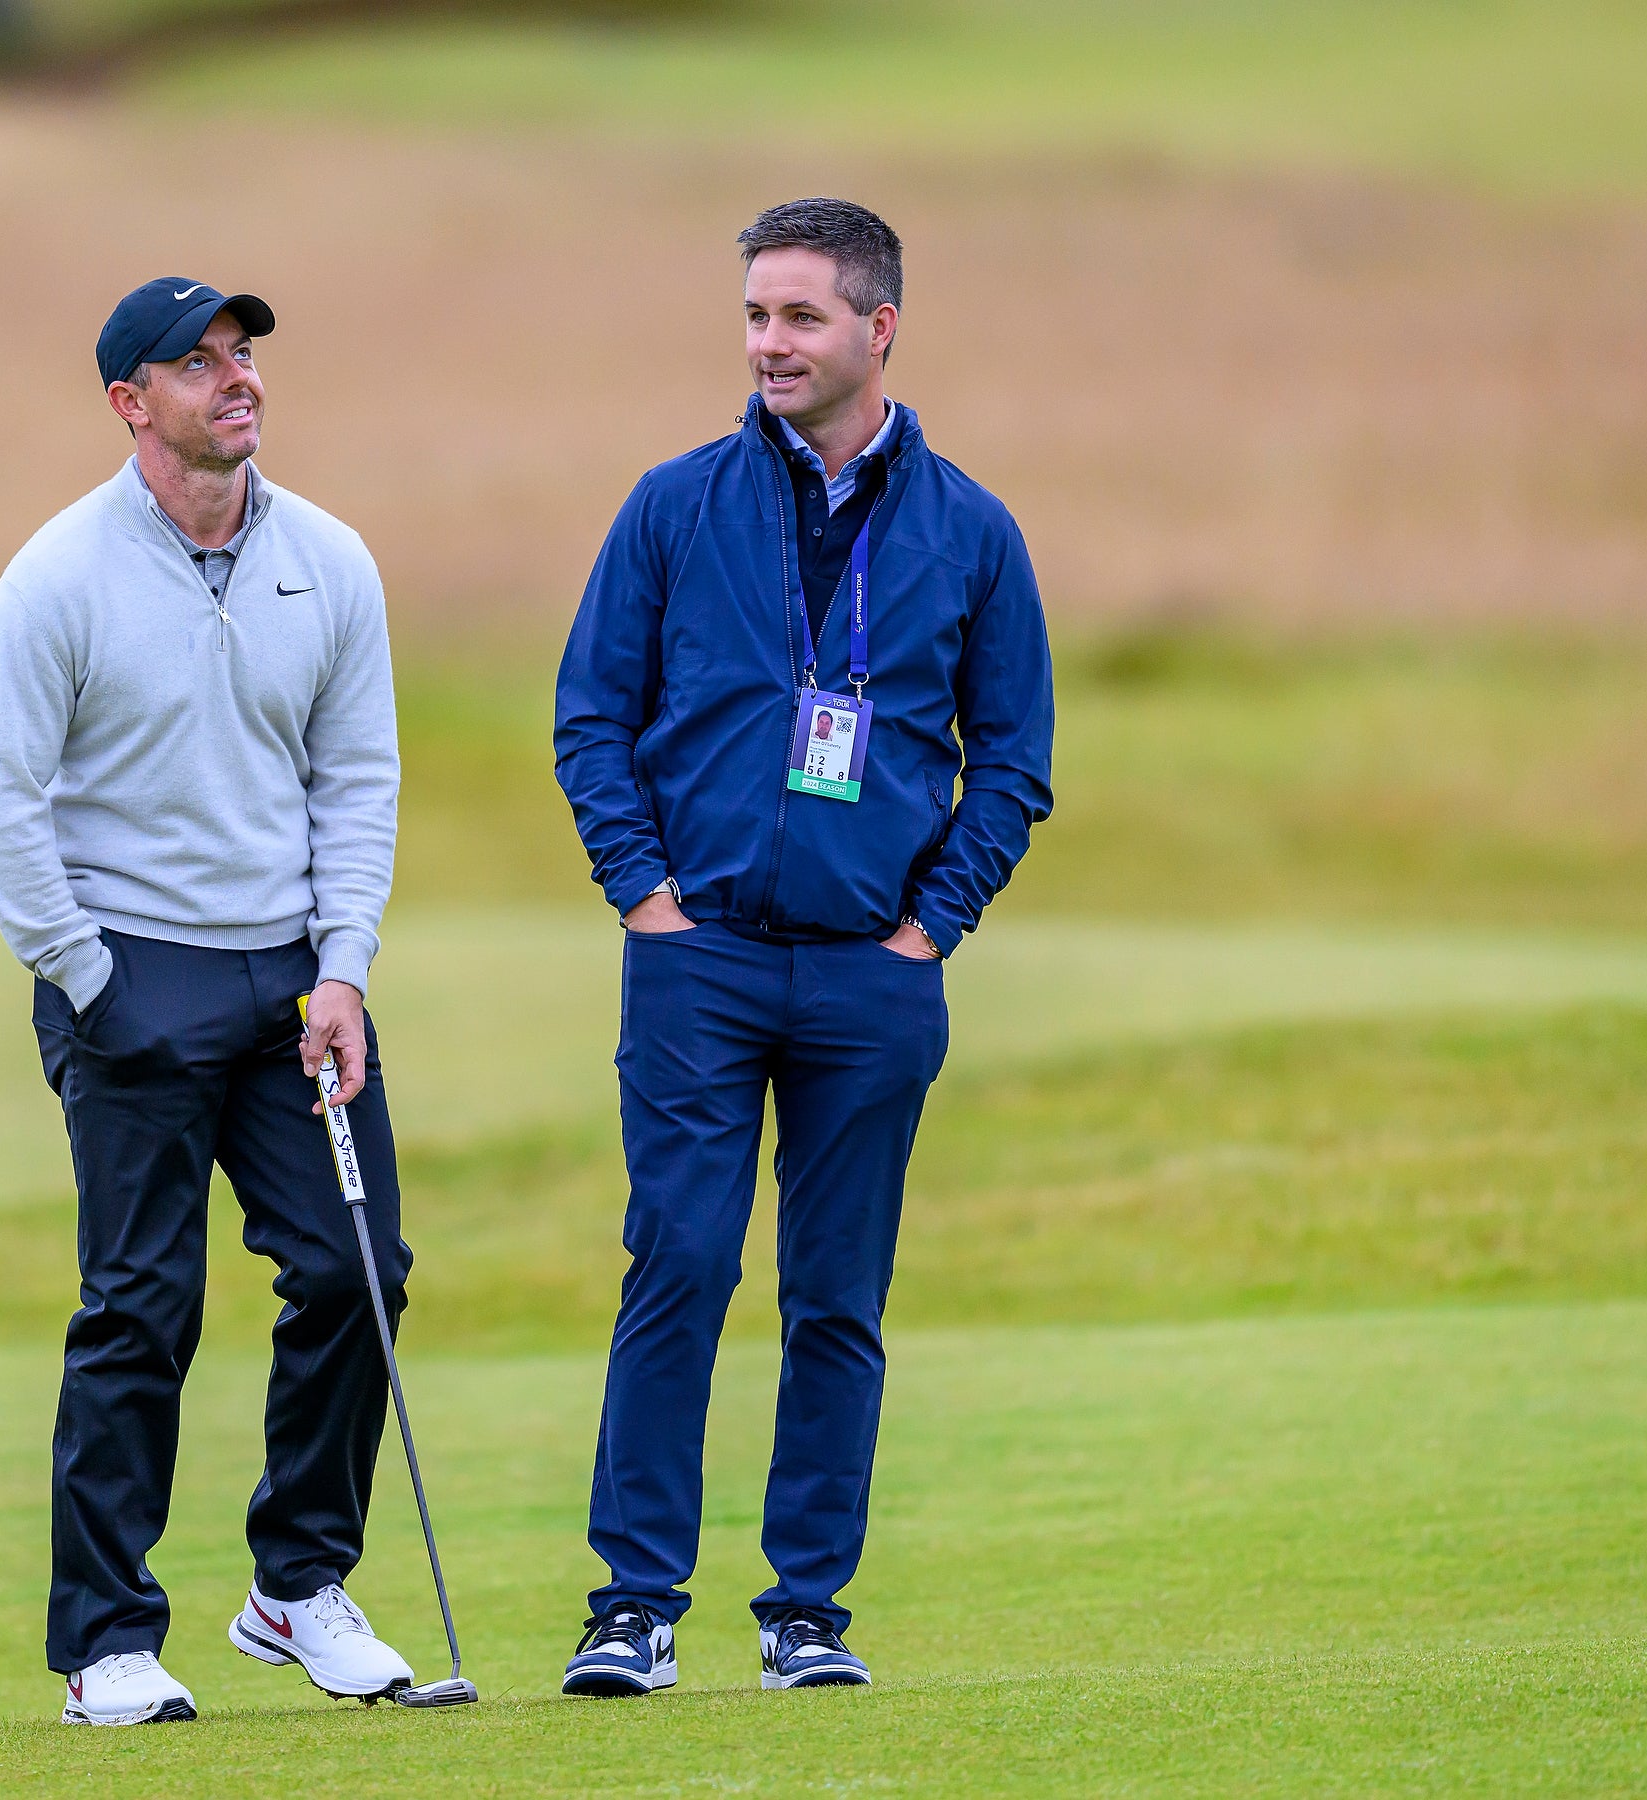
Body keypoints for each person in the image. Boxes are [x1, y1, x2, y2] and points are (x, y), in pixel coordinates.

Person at [551, 198, 1055, 1696]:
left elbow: (1013, 755)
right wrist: (645, 896)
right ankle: (634, 1607)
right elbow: (593, 715)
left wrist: (928, 929)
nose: (771, 343)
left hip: (869, 975)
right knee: (682, 1264)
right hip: (697, 958)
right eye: (757, 317)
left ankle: (806, 1615)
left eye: (802, 318)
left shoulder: (970, 529)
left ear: (877, 329)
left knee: (836, 1297)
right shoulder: (672, 504)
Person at [0, 277, 419, 1727]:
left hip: (293, 982)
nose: (239, 379)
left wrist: (344, 965)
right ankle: (107, 1642)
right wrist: (90, 977)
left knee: (359, 1272)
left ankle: (297, 1589)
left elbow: (357, 778)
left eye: (245, 355)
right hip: (130, 972)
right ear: (128, 401)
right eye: (199, 362)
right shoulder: (59, 575)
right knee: (142, 1307)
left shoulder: (330, 559)